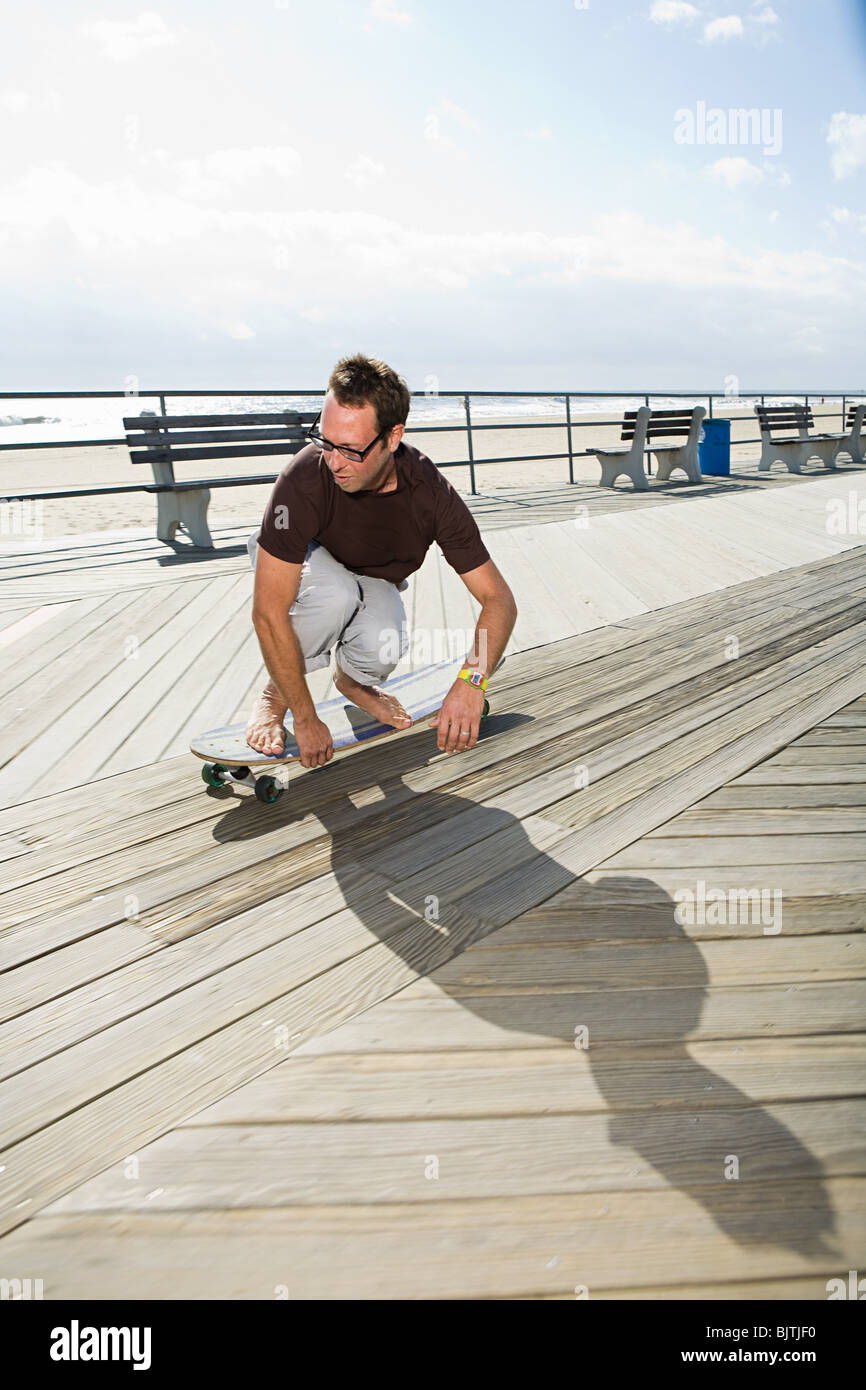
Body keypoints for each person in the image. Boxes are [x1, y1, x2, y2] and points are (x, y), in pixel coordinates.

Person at [245, 353, 517, 768]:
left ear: (393, 437)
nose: (332, 461)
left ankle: (354, 684)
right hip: (305, 560)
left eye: (350, 450)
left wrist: (470, 683)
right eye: (325, 440)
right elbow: (268, 612)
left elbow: (498, 600)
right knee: (334, 595)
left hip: (371, 576)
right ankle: (273, 696)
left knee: (383, 647)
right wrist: (305, 715)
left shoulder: (430, 495)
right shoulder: (304, 477)